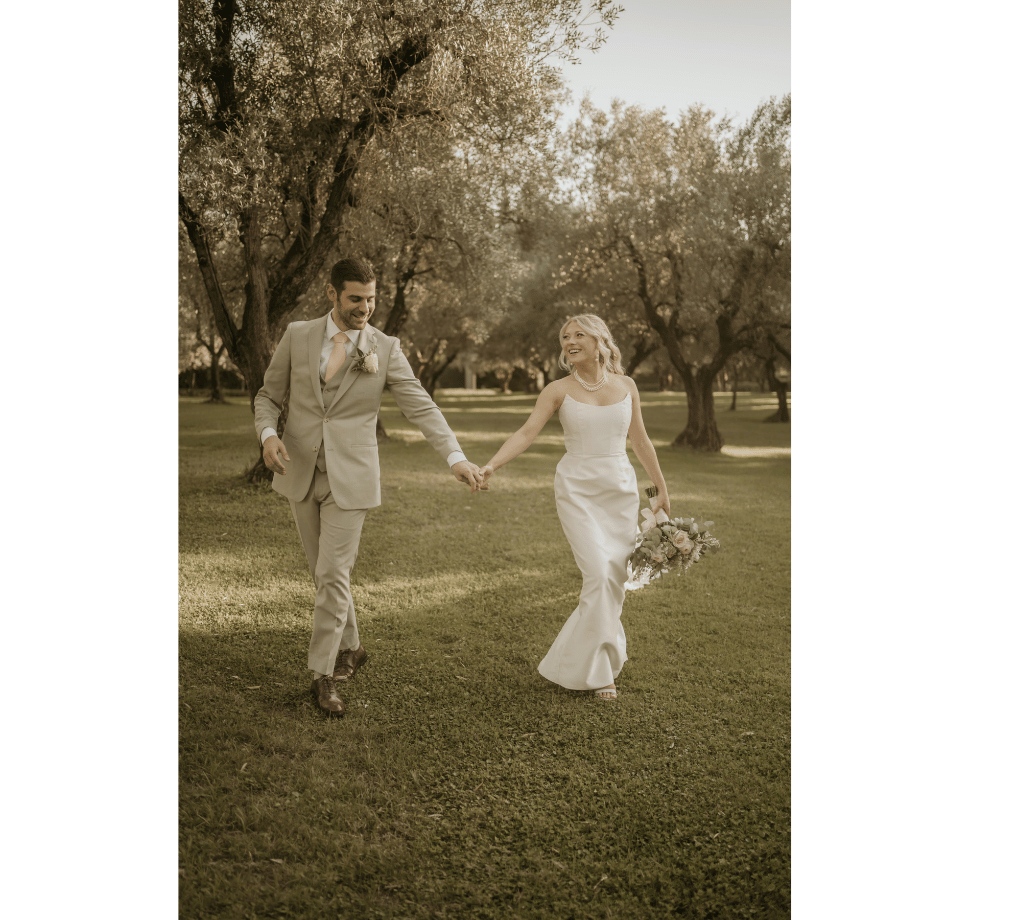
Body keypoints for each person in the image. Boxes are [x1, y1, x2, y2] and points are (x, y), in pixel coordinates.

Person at [254, 257, 486, 716]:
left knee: (333, 573)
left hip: (353, 478)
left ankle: (323, 675)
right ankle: (354, 647)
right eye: (355, 299)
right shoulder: (298, 335)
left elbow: (421, 407)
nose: (365, 308)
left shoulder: (385, 347)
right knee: (324, 574)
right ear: (332, 294)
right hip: (299, 469)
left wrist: (455, 457)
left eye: (371, 299)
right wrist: (268, 435)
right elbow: (267, 396)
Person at [479, 315, 670, 700]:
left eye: (578, 334)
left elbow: (641, 441)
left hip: (620, 489)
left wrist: (660, 490)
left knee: (613, 580)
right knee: (598, 574)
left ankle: (578, 659)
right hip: (577, 489)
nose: (569, 341)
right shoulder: (556, 390)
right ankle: (601, 673)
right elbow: (526, 432)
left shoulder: (627, 386)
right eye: (564, 336)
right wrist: (491, 465)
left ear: (600, 341)